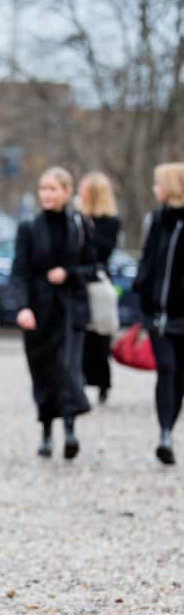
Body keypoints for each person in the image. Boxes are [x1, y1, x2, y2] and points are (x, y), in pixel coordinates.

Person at [11, 166, 96, 459]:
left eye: (53, 188)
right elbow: (19, 272)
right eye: (43, 188)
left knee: (68, 369)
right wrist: (22, 307)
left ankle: (70, 429)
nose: (46, 194)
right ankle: (47, 431)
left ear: (67, 192)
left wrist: (69, 273)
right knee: (43, 374)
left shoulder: (81, 226)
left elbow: (94, 267)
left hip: (72, 311)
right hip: (38, 312)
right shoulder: (28, 229)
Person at [135, 162, 184, 465]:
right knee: (166, 369)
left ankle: (169, 428)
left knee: (179, 377)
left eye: (158, 184)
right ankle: (164, 432)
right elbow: (148, 260)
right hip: (157, 315)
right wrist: (142, 290)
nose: (155, 190)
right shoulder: (156, 220)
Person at [77, 171, 121, 403]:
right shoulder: (75, 217)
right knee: (81, 336)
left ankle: (103, 383)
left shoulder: (110, 222)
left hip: (98, 282)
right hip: (78, 282)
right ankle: (80, 381)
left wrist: (89, 227)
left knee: (100, 337)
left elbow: (103, 252)